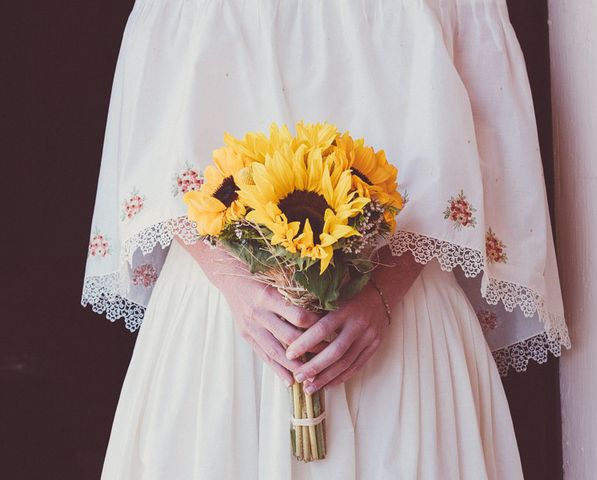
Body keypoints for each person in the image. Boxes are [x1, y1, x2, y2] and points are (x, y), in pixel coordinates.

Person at [81, 0, 571, 478]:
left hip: (398, 327)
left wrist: (383, 293)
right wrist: (240, 286)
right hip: (228, 330)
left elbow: (489, 148)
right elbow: (150, 150)